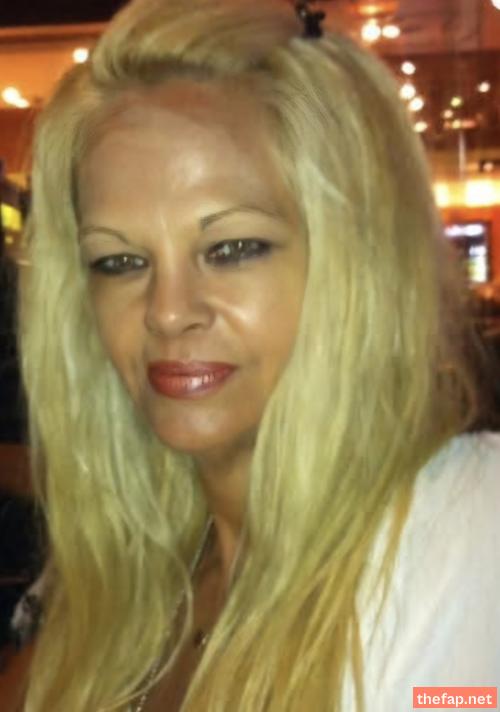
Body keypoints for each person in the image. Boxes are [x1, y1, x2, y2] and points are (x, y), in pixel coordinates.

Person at [14, 0, 499, 710]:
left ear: (359, 260)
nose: (168, 311)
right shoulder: (120, 582)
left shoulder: (467, 532)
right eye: (119, 262)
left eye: (233, 248)